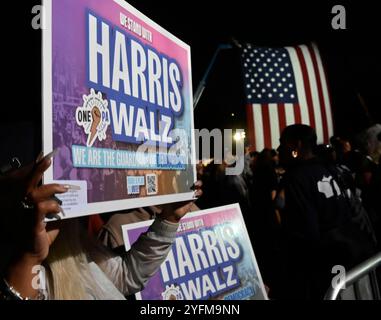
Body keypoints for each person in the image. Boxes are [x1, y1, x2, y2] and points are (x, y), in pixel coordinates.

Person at [0, 155, 202, 300]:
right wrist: (29, 260)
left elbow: (125, 277)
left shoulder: (66, 236)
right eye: (36, 171)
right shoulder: (21, 260)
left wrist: (169, 219)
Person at [276, 124, 377, 299]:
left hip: (329, 273)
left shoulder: (296, 179)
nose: (279, 149)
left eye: (282, 143)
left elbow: (306, 235)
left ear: (296, 145)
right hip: (358, 262)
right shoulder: (333, 169)